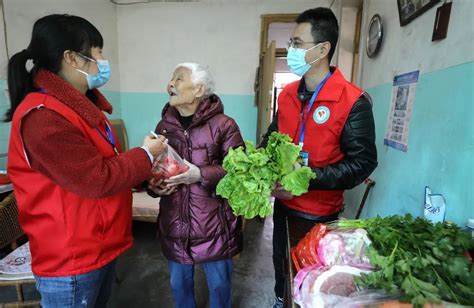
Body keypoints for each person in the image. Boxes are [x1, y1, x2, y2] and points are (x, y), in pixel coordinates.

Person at [6, 14, 167, 307]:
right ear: (72, 58)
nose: (103, 60)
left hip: (97, 244)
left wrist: (145, 177)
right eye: (97, 52)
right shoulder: (43, 117)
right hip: (71, 257)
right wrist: (145, 154)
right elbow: (96, 177)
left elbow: (101, 161)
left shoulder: (82, 107)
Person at [259, 8, 378, 308]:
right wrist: (261, 166)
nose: (292, 49)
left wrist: (308, 178)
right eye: (292, 42)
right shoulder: (286, 95)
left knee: (310, 278)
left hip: (319, 214)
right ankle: (278, 298)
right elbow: (271, 140)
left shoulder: (353, 101)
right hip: (283, 206)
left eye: (298, 43)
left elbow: (363, 163)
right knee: (281, 264)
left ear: (323, 48)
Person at [147, 63, 244, 308]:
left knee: (220, 288)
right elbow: (156, 170)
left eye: (178, 78)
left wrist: (200, 174)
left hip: (214, 225)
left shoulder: (225, 125)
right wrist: (154, 186)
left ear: (199, 89)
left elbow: (239, 172)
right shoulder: (164, 127)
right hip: (175, 224)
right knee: (179, 287)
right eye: (172, 77)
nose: (171, 83)